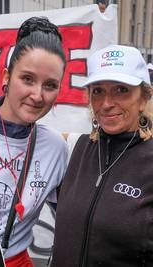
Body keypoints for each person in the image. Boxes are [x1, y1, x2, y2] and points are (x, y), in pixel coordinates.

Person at [0, 17, 68, 266]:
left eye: (50, 85)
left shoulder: (56, 147)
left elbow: (71, 224)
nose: (37, 95)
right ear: (6, 77)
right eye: (27, 79)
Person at [51, 44, 153, 266]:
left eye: (121, 89)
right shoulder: (74, 148)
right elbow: (25, 133)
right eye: (98, 91)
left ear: (144, 98)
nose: (106, 104)